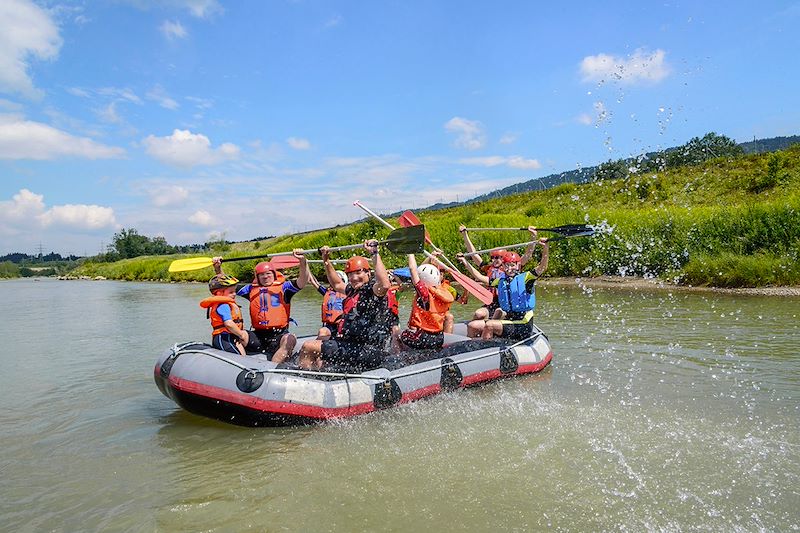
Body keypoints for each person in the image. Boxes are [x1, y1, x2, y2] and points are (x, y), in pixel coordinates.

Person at [298, 239, 394, 370]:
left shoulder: (373, 291)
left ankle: (304, 380)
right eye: (350, 274)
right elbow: (337, 284)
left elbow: (385, 284)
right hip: (352, 345)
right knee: (321, 348)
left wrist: (374, 253)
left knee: (308, 347)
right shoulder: (353, 290)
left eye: (358, 272)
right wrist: (326, 260)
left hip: (369, 351)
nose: (354, 278)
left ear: (368, 273)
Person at [212, 250, 309, 363]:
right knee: (239, 334)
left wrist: (302, 261)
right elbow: (227, 286)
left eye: (268, 273)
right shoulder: (250, 290)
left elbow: (303, 280)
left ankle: (272, 369)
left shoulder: (285, 288)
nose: (265, 277)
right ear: (257, 277)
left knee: (290, 339)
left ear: (274, 274)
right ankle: (240, 365)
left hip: (279, 334)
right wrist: (218, 268)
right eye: (262, 274)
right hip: (258, 335)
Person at [467, 240, 549, 340]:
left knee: (490, 325)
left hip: (523, 323)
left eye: (512, 265)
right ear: (503, 266)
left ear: (518, 266)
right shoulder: (500, 281)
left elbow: (542, 267)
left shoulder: (527, 278)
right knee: (472, 326)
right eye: (506, 265)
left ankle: (486, 349)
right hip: (509, 319)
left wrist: (545, 247)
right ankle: (471, 348)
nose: (509, 268)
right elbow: (479, 276)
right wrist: (464, 261)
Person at [458, 225, 541, 322]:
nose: (494, 260)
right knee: (478, 314)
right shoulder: (489, 268)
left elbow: (527, 254)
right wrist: (465, 235)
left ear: (503, 259)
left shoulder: (511, 270)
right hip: (491, 302)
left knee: (498, 313)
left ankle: (493, 329)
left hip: (506, 304)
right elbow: (473, 254)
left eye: (497, 257)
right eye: (492, 257)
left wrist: (533, 237)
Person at [394, 253, 455, 350]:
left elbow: (413, 270)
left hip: (423, 338)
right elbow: (419, 272)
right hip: (438, 337)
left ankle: (403, 356)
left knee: (402, 335)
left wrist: (410, 253)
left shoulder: (424, 294)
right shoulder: (442, 292)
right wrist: (430, 258)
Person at [199, 274, 249, 356]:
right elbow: (228, 324)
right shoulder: (223, 305)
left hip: (231, 337)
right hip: (223, 338)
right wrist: (241, 334)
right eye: (231, 292)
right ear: (219, 293)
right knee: (238, 359)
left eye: (235, 291)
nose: (234, 294)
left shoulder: (227, 304)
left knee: (243, 357)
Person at [307, 267, 347, 340]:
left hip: (343, 326)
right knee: (323, 332)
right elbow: (313, 281)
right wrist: (304, 263)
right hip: (329, 326)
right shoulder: (327, 292)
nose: (334, 282)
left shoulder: (349, 294)